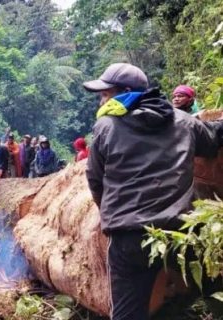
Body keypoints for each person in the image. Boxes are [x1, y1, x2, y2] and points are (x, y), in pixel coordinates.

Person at [83, 63, 223, 320]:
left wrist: (111, 214)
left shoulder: (106, 127)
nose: (101, 99)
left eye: (105, 93)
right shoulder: (184, 121)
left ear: (125, 92)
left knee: (128, 314)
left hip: (129, 238)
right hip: (181, 234)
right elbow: (212, 141)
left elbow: (94, 178)